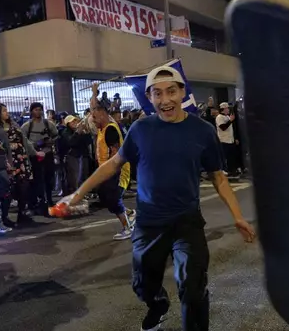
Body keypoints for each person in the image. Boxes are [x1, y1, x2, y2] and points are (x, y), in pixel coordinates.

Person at [61, 66, 255, 331]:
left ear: (182, 92)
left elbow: (218, 177)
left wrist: (238, 216)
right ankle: (158, 305)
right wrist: (78, 192)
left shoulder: (203, 131)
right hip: (149, 223)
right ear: (149, 97)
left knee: (193, 286)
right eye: (158, 93)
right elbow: (114, 163)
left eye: (171, 92)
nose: (165, 100)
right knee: (144, 284)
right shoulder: (140, 129)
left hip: (187, 222)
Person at [89, 84, 136, 240]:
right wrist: (93, 94)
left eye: (95, 116)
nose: (92, 120)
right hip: (107, 170)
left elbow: (115, 154)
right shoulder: (103, 128)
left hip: (116, 171)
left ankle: (127, 227)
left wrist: (109, 172)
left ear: (103, 115)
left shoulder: (110, 129)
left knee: (113, 199)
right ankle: (129, 213)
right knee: (107, 198)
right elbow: (95, 108)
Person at [0, 103, 40, 225]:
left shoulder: (13, 123)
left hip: (22, 158)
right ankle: (4, 217)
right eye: (4, 111)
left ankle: (22, 214)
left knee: (25, 186)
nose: (7, 113)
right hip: (9, 159)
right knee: (9, 189)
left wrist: (34, 152)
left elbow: (25, 140)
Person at [21, 102, 58, 214]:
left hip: (47, 155)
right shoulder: (27, 126)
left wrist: (50, 142)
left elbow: (56, 135)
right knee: (37, 180)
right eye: (36, 109)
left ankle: (49, 200)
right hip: (34, 156)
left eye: (40, 109)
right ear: (32, 111)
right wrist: (35, 145)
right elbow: (23, 140)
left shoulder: (48, 124)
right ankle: (39, 201)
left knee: (49, 179)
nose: (38, 112)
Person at [60, 115, 93, 195]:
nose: (75, 123)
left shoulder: (80, 131)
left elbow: (88, 142)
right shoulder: (65, 132)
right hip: (72, 157)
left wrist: (87, 132)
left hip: (82, 156)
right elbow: (71, 142)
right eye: (73, 121)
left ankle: (81, 195)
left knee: (83, 177)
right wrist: (78, 132)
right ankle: (73, 196)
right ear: (68, 123)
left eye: (76, 121)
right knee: (74, 179)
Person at [216, 102, 240, 176]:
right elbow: (223, 127)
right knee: (225, 157)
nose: (228, 110)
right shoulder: (219, 117)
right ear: (223, 109)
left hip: (230, 140)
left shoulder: (227, 117)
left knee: (231, 157)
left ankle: (232, 170)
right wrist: (230, 121)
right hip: (224, 141)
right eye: (227, 108)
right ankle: (225, 170)